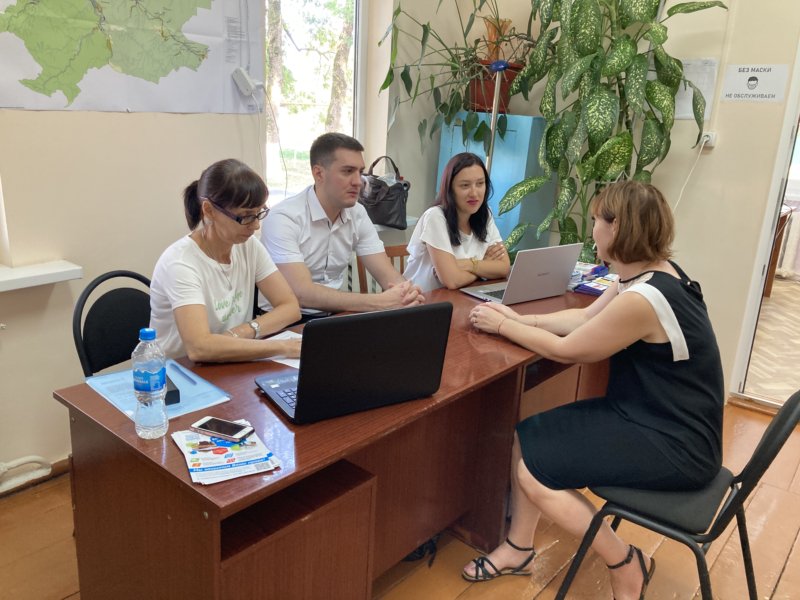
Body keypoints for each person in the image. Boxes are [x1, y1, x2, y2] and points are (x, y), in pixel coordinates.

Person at [465, 181, 724, 600]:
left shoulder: (644, 298)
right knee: (526, 435)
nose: (592, 231)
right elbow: (584, 321)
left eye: (595, 221)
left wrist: (504, 326)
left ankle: (625, 563)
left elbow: (570, 350)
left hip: (676, 443)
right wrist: (519, 320)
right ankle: (519, 548)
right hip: (659, 418)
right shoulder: (649, 275)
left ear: (617, 227)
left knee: (534, 471)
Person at [150, 159, 301, 361]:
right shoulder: (180, 263)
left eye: (259, 213)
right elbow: (199, 348)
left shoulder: (249, 246)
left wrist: (241, 333)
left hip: (230, 361)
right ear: (209, 210)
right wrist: (281, 347)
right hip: (179, 372)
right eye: (246, 216)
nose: (255, 225)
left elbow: (290, 307)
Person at [260, 133, 424, 313]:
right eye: (347, 171)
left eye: (360, 172)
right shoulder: (283, 217)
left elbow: (388, 275)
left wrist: (406, 293)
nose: (358, 182)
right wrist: (380, 302)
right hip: (288, 319)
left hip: (335, 314)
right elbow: (302, 293)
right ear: (318, 173)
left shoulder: (357, 213)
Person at [403, 152, 510, 292]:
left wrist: (469, 265)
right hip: (421, 300)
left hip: (461, 297)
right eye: (465, 185)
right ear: (450, 189)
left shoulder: (485, 214)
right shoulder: (435, 217)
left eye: (480, 183)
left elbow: (504, 267)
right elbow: (452, 281)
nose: (474, 193)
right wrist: (483, 267)